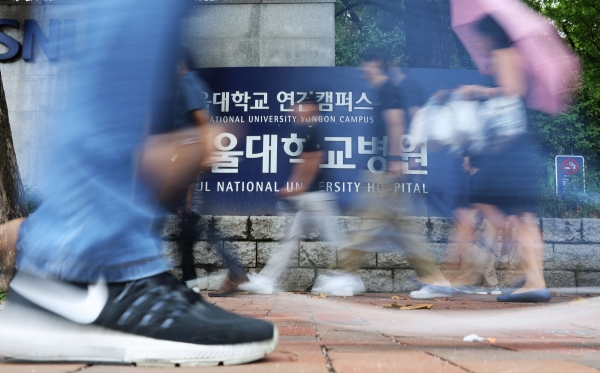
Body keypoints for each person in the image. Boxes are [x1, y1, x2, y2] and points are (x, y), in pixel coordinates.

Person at [0, 0, 277, 366]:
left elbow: (200, 134)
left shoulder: (185, 86)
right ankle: (88, 268)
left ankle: (84, 263)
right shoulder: (183, 86)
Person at [312, 49, 451, 299]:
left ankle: (346, 273)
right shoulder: (384, 89)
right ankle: (435, 279)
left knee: (372, 225)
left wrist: (395, 160)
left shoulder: (387, 88)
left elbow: (395, 123)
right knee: (404, 230)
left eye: (364, 63)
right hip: (384, 171)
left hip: (385, 172)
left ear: (376, 63)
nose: (360, 68)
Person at [456, 15, 549, 302]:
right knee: (522, 217)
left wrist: (476, 91)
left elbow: (511, 93)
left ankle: (478, 271)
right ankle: (534, 279)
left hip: (508, 149)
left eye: (481, 35)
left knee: (482, 200)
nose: (478, 41)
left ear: (491, 35)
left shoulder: (503, 55)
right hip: (519, 145)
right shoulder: (519, 56)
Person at [239, 94, 349, 295]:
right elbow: (304, 163)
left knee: (334, 238)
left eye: (299, 105)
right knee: (290, 240)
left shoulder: (314, 129)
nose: (294, 108)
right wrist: (293, 188)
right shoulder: (307, 130)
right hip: (307, 198)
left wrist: (295, 188)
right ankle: (268, 280)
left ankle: (349, 277)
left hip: (316, 197)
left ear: (311, 107)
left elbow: (313, 162)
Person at [451, 155, 501, 295]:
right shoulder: (478, 177)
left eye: (464, 160)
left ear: (472, 161)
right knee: (487, 251)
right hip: (491, 219)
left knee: (475, 251)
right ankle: (491, 286)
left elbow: (482, 201)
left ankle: (470, 283)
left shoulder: (479, 178)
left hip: (484, 219)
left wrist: (474, 219)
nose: (462, 164)